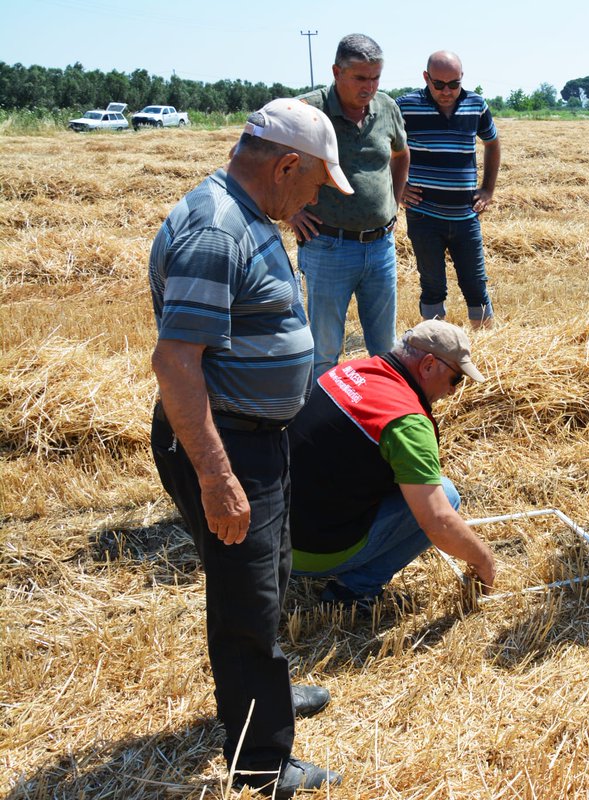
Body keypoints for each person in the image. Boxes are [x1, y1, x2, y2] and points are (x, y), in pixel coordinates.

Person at [148, 99, 350, 795]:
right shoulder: (216, 229)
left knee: (265, 583)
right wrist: (216, 478)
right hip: (227, 441)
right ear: (286, 164)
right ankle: (262, 761)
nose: (317, 196)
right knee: (246, 600)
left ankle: (267, 691)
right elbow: (176, 362)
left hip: (256, 435)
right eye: (317, 182)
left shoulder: (246, 214)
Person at [289, 320, 497, 606]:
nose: (452, 391)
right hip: (307, 553)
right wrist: (484, 561)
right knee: (445, 496)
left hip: (269, 534)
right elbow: (438, 521)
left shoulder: (348, 371)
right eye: (455, 379)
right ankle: (354, 590)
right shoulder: (406, 421)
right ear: (427, 365)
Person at [292, 33, 410, 382]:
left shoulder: (387, 107)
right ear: (336, 72)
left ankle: (377, 418)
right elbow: (259, 160)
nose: (369, 87)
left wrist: (394, 202)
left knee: (385, 348)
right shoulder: (307, 110)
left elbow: (402, 155)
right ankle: (320, 423)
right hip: (327, 246)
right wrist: (291, 212)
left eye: (376, 78)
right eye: (360, 78)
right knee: (324, 349)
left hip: (380, 247)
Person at [396, 51, 500, 326]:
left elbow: (492, 143)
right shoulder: (406, 107)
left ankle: (487, 342)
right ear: (426, 78)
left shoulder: (476, 104)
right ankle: (435, 344)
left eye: (453, 84)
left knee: (476, 284)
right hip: (423, 216)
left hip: (466, 216)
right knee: (432, 284)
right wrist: (398, 186)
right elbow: (381, 147)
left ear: (462, 78)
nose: (446, 91)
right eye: (438, 84)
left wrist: (488, 189)